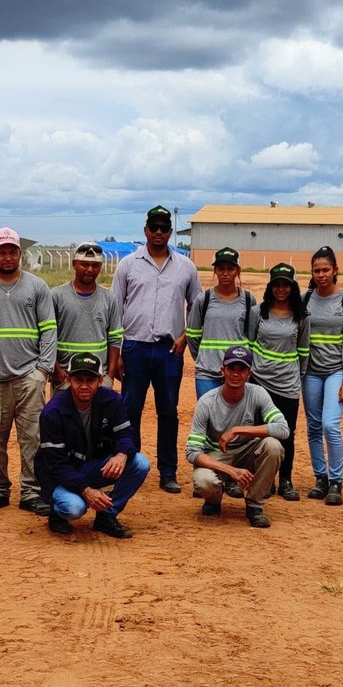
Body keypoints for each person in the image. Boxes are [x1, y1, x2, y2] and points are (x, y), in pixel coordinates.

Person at [112, 205, 201, 493]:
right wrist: (119, 349)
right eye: (154, 227)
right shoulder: (128, 264)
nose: (159, 232)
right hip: (135, 347)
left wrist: (185, 337)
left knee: (168, 411)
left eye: (164, 228)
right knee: (130, 410)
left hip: (169, 350)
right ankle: (131, 469)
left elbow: (197, 307)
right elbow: (115, 309)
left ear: (170, 232)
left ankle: (167, 472)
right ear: (146, 230)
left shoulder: (185, 266)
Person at [0, 226, 57, 514]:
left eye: (13, 251)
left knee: (31, 436)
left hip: (28, 376)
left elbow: (48, 330)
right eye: (2, 251)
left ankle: (31, 491)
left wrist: (43, 369)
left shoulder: (37, 286)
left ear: (20, 253)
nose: (7, 257)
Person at [35, 352, 151, 539]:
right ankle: (56, 513)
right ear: (68, 379)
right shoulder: (53, 412)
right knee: (74, 508)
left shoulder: (112, 400)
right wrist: (86, 491)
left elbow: (126, 435)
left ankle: (106, 516)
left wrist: (121, 454)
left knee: (140, 463)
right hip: (61, 474)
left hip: (92, 466)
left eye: (90, 380)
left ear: (100, 381)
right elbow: (55, 464)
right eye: (78, 379)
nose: (83, 385)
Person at [187, 344, 290, 528]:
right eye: (231, 368)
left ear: (249, 373)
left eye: (241, 369)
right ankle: (213, 500)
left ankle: (254, 505)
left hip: (248, 451)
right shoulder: (207, 402)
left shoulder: (257, 393)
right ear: (222, 371)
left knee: (273, 446)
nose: (236, 374)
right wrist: (231, 471)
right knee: (204, 481)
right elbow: (192, 452)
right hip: (218, 454)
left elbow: (283, 429)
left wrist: (237, 430)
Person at [303, 246, 343, 506]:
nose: (321, 275)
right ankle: (320, 478)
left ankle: (336, 481)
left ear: (336, 270)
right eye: (317, 270)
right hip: (310, 372)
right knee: (313, 427)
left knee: (329, 425)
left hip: (336, 371)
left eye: (326, 269)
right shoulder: (305, 299)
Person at [252, 263, 310, 500]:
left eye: (285, 284)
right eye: (277, 284)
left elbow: (303, 350)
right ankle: (265, 480)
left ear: (293, 287)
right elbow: (249, 342)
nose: (281, 289)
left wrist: (298, 378)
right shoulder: (258, 312)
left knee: (287, 433)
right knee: (261, 432)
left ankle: (285, 479)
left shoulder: (302, 316)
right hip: (260, 381)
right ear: (270, 286)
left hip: (287, 383)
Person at [185, 246, 257, 398]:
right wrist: (204, 357)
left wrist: (242, 364)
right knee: (209, 418)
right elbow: (192, 335)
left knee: (236, 418)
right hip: (208, 373)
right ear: (215, 271)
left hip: (237, 371)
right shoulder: (203, 299)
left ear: (238, 271)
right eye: (221, 268)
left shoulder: (249, 300)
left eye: (230, 269)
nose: (225, 273)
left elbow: (252, 338)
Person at [51, 242, 123, 394]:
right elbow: (47, 338)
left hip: (98, 378)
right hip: (66, 378)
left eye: (95, 265)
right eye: (84, 264)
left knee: (99, 418)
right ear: (74, 264)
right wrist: (56, 371)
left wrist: (109, 376)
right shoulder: (56, 296)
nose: (90, 269)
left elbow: (115, 339)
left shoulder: (109, 298)